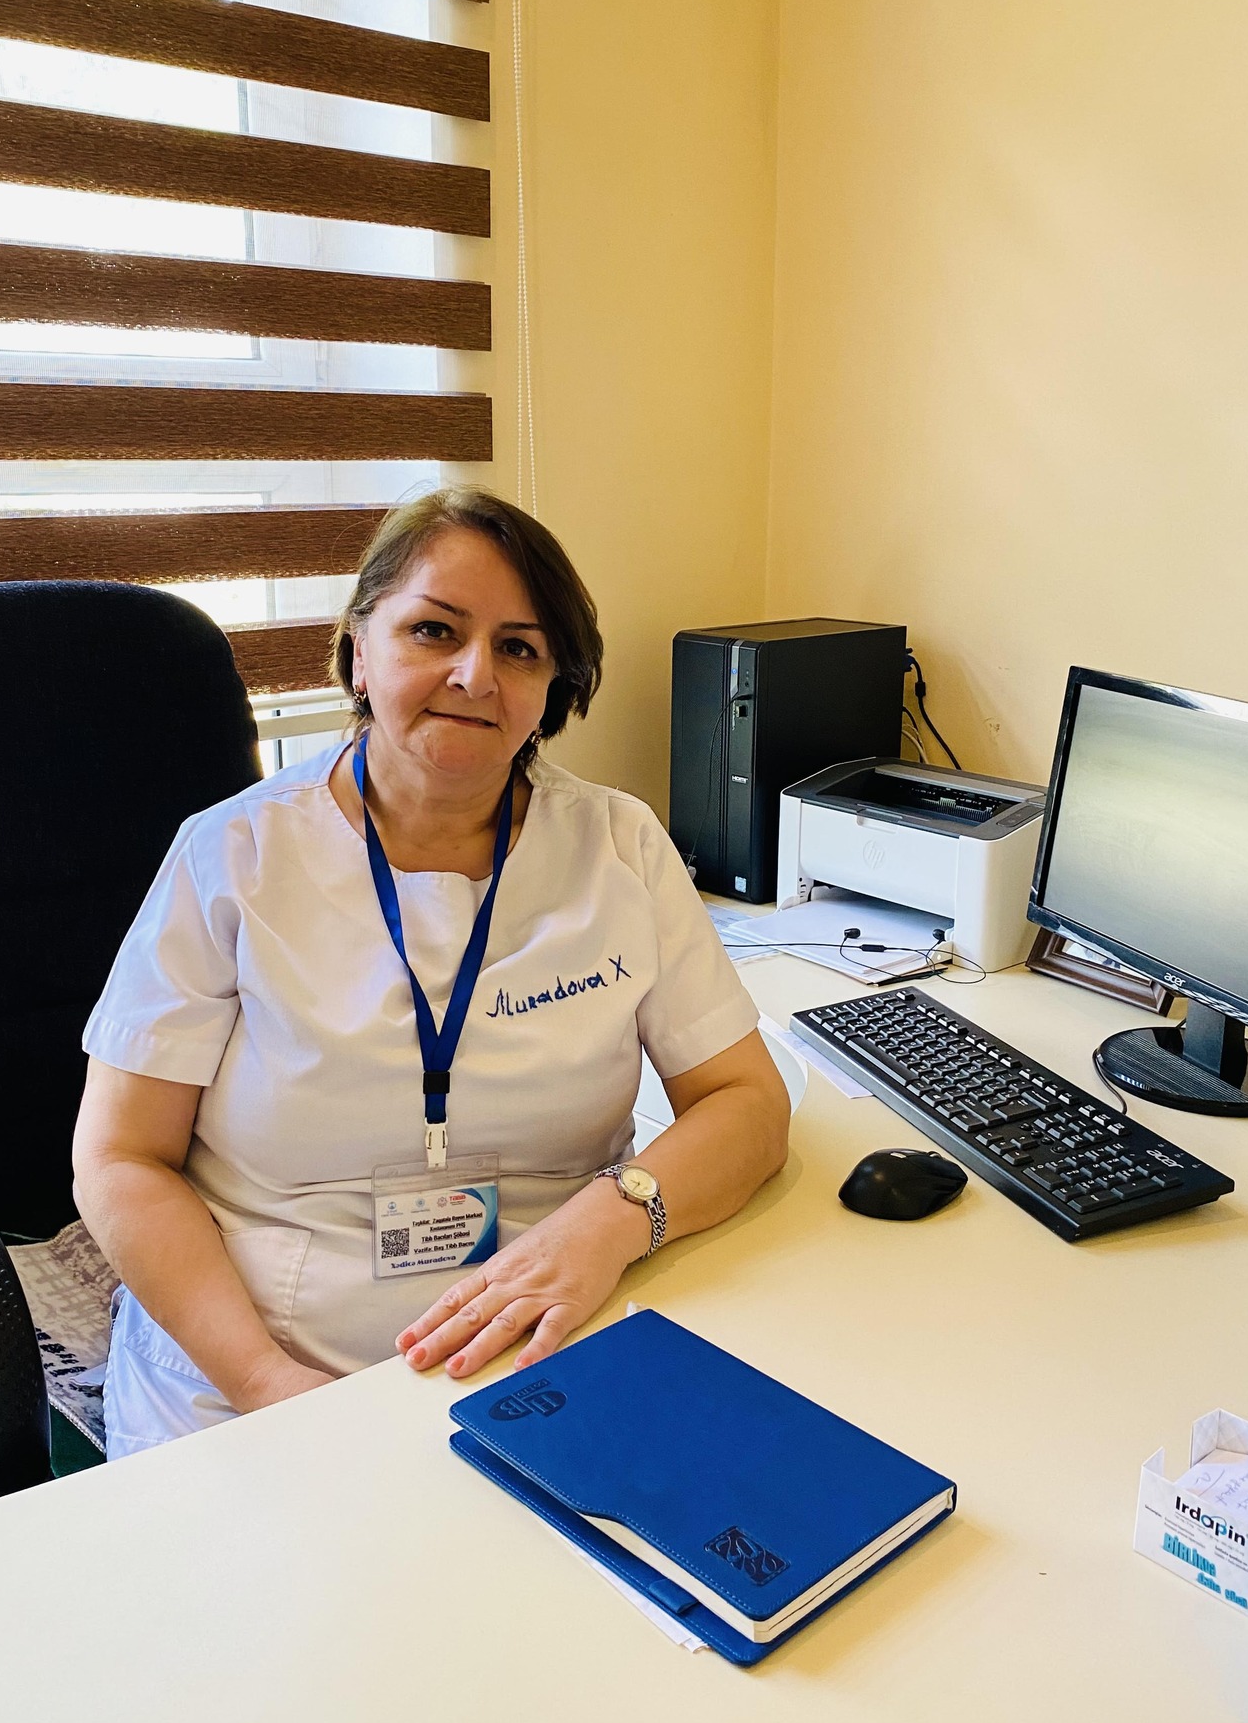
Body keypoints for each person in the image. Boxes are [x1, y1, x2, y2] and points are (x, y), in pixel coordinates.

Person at [73, 489, 790, 1459]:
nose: (474, 673)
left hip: (555, 1353)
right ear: (359, 652)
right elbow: (121, 1158)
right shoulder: (231, 857)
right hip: (259, 1379)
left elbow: (747, 1103)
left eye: (519, 648)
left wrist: (611, 1222)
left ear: (553, 689)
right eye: (434, 630)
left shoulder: (619, 845)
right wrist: (264, 1383)